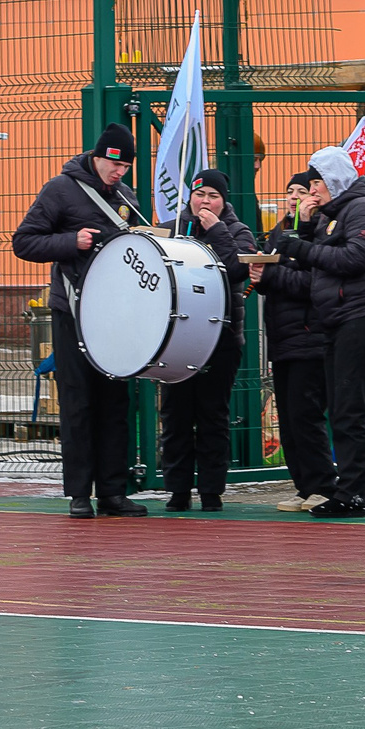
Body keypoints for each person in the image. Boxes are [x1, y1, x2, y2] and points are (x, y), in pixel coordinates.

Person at [12, 122, 147, 519]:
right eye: (113, 164)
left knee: (114, 403)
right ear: (97, 156)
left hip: (117, 314)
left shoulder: (126, 196)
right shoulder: (61, 189)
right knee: (77, 401)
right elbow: (24, 241)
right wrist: (72, 242)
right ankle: (79, 493)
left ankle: (113, 492)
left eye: (125, 167)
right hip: (72, 311)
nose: (118, 172)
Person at [271, 145, 365, 519]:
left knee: (348, 409)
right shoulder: (333, 214)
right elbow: (316, 260)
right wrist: (304, 229)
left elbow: (355, 258)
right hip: (337, 319)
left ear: (335, 180)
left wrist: (301, 246)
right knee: (340, 409)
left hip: (360, 317)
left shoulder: (362, 210)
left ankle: (355, 494)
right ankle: (347, 490)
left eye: (318, 183)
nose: (313, 191)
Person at [157, 169, 254, 512]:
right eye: (200, 195)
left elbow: (238, 267)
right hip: (175, 339)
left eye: (213, 196)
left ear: (224, 201)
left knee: (212, 414)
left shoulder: (237, 231)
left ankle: (211, 490)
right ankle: (177, 489)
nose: (205, 201)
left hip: (220, 337)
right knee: (175, 414)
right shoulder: (172, 229)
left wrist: (217, 229)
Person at [250, 171, 336, 512]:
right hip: (282, 337)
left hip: (309, 336)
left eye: (303, 191)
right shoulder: (280, 231)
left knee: (306, 414)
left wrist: (270, 275)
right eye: (290, 191)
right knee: (287, 416)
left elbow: (311, 282)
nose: (295, 197)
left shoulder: (322, 231)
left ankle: (322, 485)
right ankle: (303, 486)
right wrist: (262, 273)